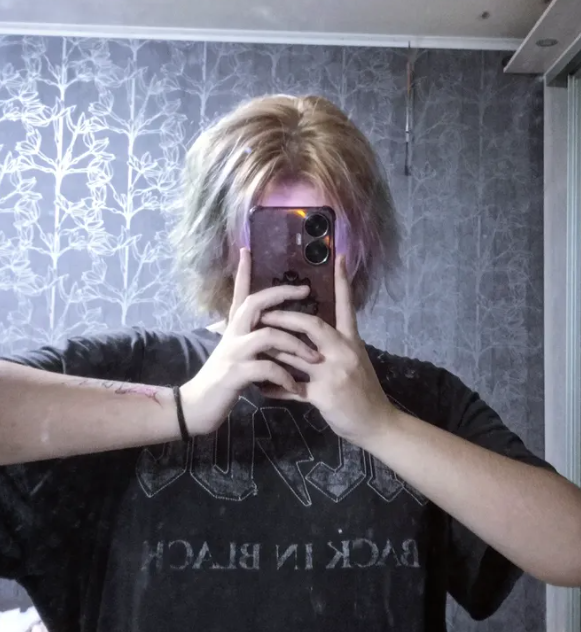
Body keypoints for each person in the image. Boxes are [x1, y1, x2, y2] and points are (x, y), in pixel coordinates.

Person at [0, 94, 579, 632]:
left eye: (319, 231)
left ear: (362, 244)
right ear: (220, 240)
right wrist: (180, 407)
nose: (293, 262)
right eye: (269, 232)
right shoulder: (126, 371)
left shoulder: (423, 397)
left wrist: (381, 425)